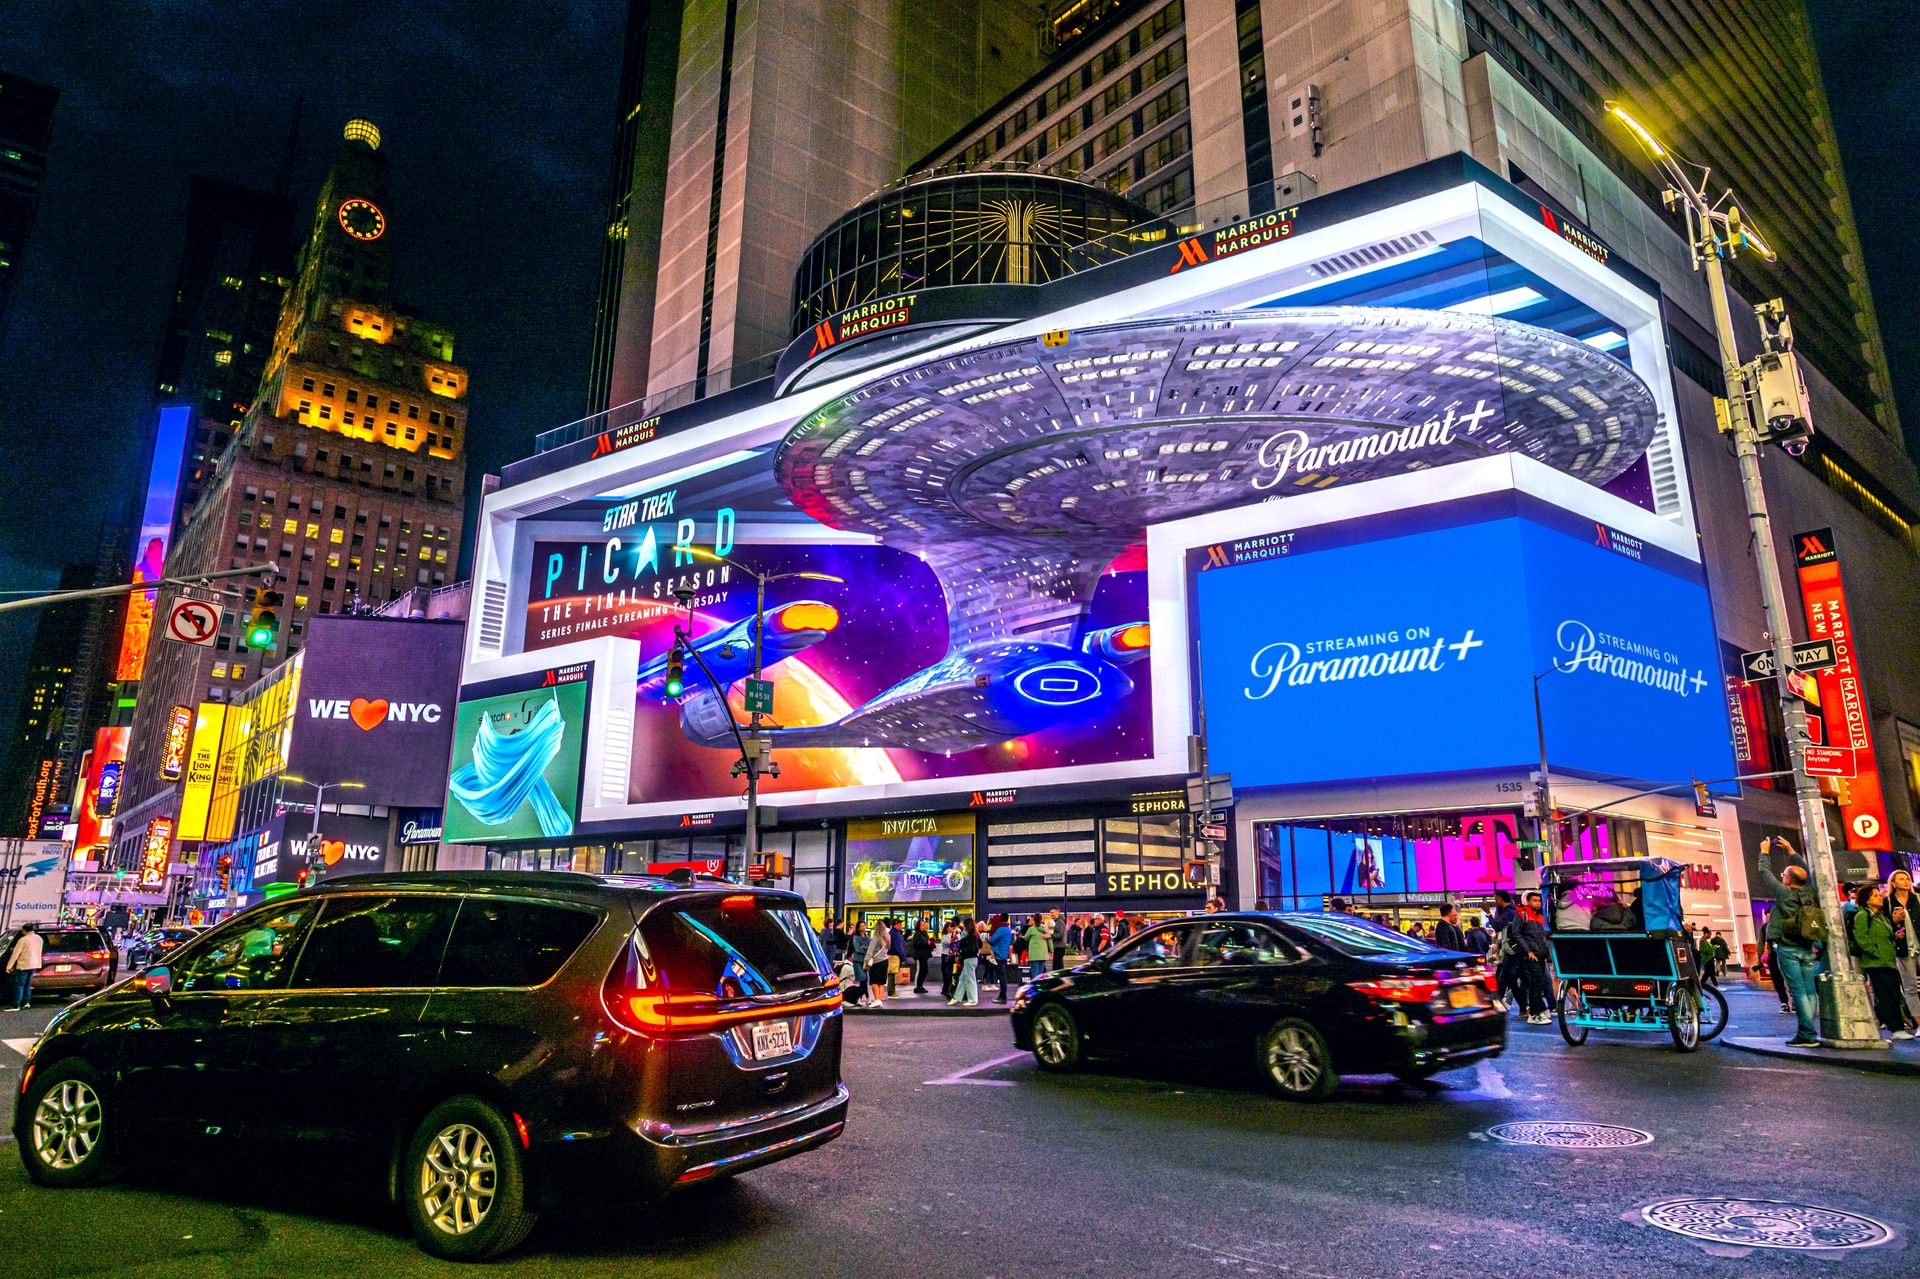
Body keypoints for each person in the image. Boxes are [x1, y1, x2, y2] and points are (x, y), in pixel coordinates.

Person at [1756, 836, 1824, 1046]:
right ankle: (1809, 1031)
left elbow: (1764, 873)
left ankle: (1807, 1034)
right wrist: (1791, 850)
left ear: (1787, 880)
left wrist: (1765, 852)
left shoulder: (1785, 893)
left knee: (1798, 992)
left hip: (1788, 948)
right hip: (1807, 947)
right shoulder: (1811, 893)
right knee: (1809, 991)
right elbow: (1808, 873)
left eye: (1784, 875)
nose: (1782, 877)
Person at [1852, 884, 1912, 1039]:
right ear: (1866, 900)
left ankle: (1895, 1026)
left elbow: (1887, 935)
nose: (1879, 897)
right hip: (1876, 962)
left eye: (1879, 895)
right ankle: (1896, 1028)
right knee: (1886, 996)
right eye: (1875, 895)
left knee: (1894, 994)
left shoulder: (1881, 916)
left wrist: (1897, 932)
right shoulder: (1863, 915)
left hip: (1888, 961)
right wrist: (1875, 952)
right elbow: (1861, 938)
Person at [1884, 869, 1920, 1027]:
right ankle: (1919, 1024)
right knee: (1910, 988)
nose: (1906, 881)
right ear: (1893, 883)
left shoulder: (1917, 899)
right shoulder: (1888, 902)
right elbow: (1886, 927)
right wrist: (1894, 922)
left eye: (1907, 878)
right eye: (1901, 879)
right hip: (1903, 949)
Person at [5, 922, 43, 1011]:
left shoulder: (23, 940)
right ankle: (26, 1002)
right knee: (28, 984)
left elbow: (15, 954)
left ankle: (16, 1004)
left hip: (23, 964)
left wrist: (9, 966)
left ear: (24, 930)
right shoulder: (39, 938)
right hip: (34, 964)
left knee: (19, 985)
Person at [951, 916, 982, 1006]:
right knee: (963, 978)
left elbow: (968, 949)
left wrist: (961, 951)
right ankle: (957, 997)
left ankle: (972, 1000)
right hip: (974, 959)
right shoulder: (976, 936)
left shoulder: (967, 938)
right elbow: (980, 946)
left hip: (968, 959)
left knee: (969, 979)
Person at [864, 918, 892, 1009]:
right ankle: (879, 999)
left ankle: (876, 999)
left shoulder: (876, 938)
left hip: (876, 961)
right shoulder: (888, 937)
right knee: (881, 982)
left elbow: (870, 951)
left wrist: (866, 962)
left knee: (874, 981)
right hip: (885, 960)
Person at [988, 914, 1013, 1003]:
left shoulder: (1001, 929)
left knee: (1001, 976)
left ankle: (1003, 996)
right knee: (1003, 976)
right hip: (1004, 954)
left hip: (998, 955)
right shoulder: (1008, 929)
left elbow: (992, 940)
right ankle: (1003, 995)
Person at [1023, 915, 1052, 980]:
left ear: (1034, 920)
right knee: (1040, 974)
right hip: (1043, 954)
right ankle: (1039, 985)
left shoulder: (1031, 929)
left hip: (1034, 954)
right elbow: (1049, 940)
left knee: (1035, 974)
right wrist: (1051, 950)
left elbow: (1026, 938)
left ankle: (1035, 985)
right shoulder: (1045, 928)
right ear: (1041, 920)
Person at [910, 923, 933, 994]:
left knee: (925, 971)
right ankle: (917, 986)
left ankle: (921, 985)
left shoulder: (925, 933)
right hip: (919, 955)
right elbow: (916, 944)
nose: (925, 926)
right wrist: (926, 942)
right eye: (923, 925)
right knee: (919, 970)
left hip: (925, 955)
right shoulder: (917, 934)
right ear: (919, 926)